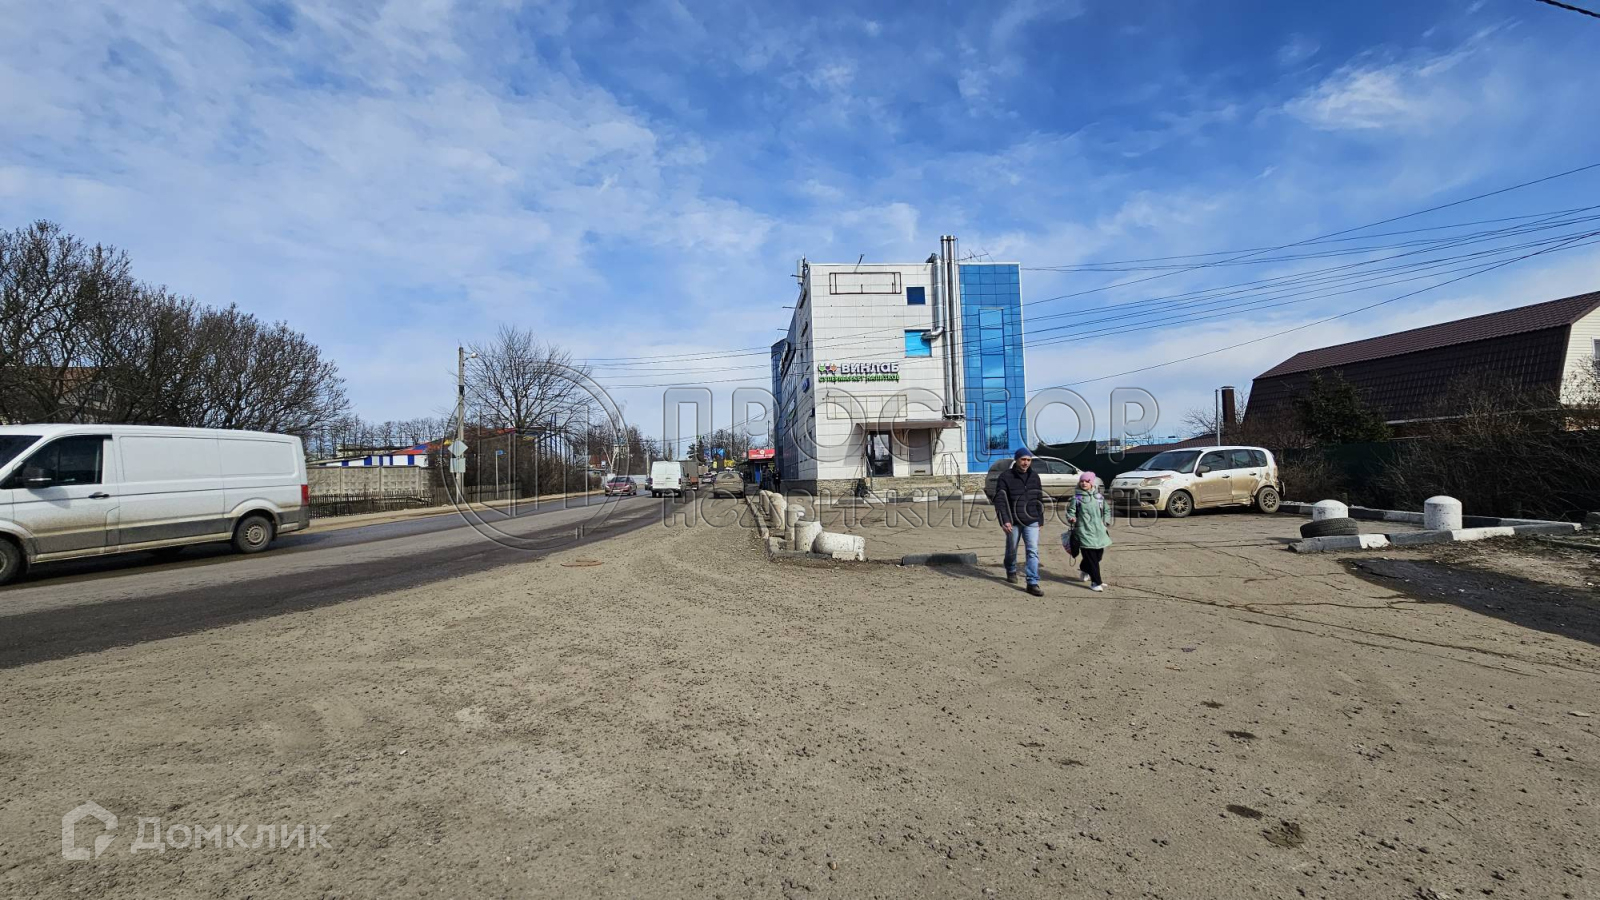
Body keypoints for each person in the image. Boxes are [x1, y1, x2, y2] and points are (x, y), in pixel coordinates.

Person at [993, 447, 1046, 597]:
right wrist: (1005, 520)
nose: (1026, 463)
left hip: (1031, 520)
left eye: (1029, 460)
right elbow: (1000, 500)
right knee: (1012, 549)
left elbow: (1039, 498)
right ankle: (1011, 569)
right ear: (1016, 460)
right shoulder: (1005, 477)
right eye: (1023, 459)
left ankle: (1032, 583)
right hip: (1013, 520)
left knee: (1032, 550)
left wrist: (1040, 518)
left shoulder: (1034, 476)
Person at [1065, 471, 1112, 592]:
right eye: (1082, 481)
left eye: (1087, 481)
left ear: (1092, 483)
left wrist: (1105, 522)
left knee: (1098, 556)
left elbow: (1107, 511)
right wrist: (1071, 518)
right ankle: (1096, 582)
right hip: (1084, 532)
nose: (1084, 483)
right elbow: (1070, 512)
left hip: (1099, 532)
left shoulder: (1099, 497)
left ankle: (1084, 569)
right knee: (1092, 559)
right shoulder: (1077, 498)